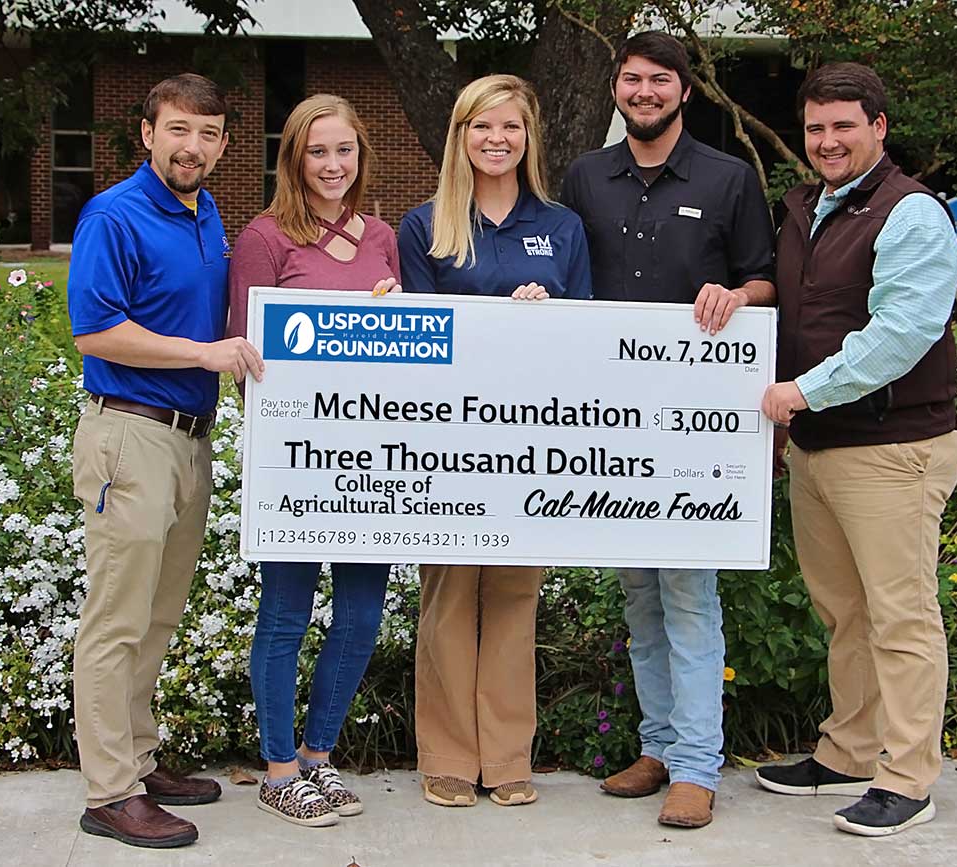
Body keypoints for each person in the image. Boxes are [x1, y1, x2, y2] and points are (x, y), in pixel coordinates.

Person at [559, 31, 776, 829]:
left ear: (686, 90)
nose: (644, 92)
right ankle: (655, 746)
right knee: (639, 595)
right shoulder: (586, 176)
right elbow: (567, 279)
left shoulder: (726, 179)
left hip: (694, 431)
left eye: (659, 80)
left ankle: (695, 766)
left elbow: (764, 276)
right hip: (612, 426)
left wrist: (739, 298)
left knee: (689, 594)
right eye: (631, 79)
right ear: (617, 89)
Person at [756, 62, 957, 838]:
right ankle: (848, 751)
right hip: (819, 447)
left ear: (879, 127)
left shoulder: (910, 214)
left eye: (844, 125)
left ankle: (908, 777)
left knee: (901, 615)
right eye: (815, 127)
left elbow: (903, 333)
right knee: (844, 611)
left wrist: (804, 390)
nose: (827, 140)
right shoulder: (808, 206)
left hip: (894, 446)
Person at [68, 73, 265, 849]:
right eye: (179, 129)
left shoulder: (205, 211)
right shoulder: (113, 213)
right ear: (147, 132)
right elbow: (96, 331)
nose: (193, 146)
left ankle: (138, 758)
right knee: (116, 617)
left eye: (208, 133)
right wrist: (204, 354)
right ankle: (109, 790)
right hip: (131, 433)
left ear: (222, 143)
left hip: (189, 438)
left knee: (156, 611)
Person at [397, 73, 592, 809]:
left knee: (514, 596)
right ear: (460, 136)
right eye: (482, 127)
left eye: (509, 127)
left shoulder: (563, 227)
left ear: (528, 136)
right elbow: (415, 339)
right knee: (448, 596)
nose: (496, 140)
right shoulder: (426, 226)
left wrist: (550, 313)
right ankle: (447, 755)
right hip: (447, 443)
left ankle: (509, 757)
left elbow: (589, 334)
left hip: (533, 441)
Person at [226, 94, 399, 828]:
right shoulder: (266, 238)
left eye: (344, 151)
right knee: (287, 613)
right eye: (317, 151)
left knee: (362, 615)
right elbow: (243, 353)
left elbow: (409, 354)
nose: (332, 165)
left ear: (362, 155)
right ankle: (277, 768)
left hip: (372, 458)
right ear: (294, 158)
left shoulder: (383, 237)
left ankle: (319, 758)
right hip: (298, 461)